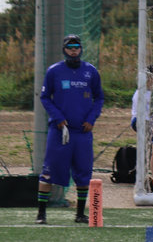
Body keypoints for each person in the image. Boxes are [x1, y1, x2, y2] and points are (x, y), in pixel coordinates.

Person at [36, 35, 104, 224]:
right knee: (48, 172)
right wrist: (58, 118)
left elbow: (99, 98)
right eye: (70, 47)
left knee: (83, 173)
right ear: (64, 50)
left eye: (76, 46)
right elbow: (45, 97)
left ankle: (80, 214)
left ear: (81, 49)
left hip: (82, 133)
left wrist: (91, 119)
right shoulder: (54, 71)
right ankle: (41, 214)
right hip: (60, 132)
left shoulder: (91, 71)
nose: (73, 50)